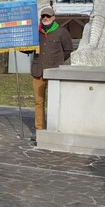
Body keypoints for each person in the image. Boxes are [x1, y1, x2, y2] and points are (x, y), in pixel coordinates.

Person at [30, 7, 73, 135]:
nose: (45, 18)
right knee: (39, 101)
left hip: (54, 72)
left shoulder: (61, 32)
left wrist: (58, 61)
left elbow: (68, 50)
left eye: (48, 16)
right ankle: (39, 129)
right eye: (43, 16)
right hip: (38, 71)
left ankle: (54, 128)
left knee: (54, 102)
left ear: (54, 17)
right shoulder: (35, 32)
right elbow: (28, 48)